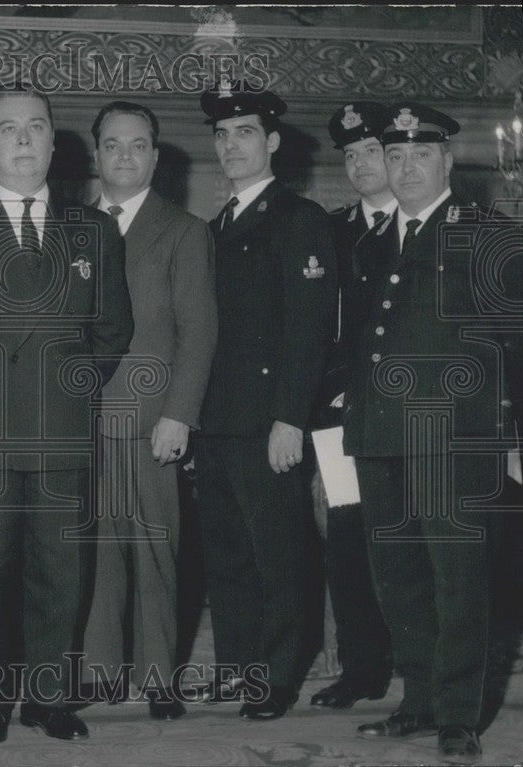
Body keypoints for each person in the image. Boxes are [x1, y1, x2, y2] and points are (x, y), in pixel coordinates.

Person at [0, 83, 134, 744]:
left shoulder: (92, 229)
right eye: (7, 128)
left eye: (34, 127)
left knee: (57, 575)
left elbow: (114, 331)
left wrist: (66, 389)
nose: (21, 139)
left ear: (52, 140)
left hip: (62, 435)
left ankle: (48, 696)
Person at [343, 102, 506, 765]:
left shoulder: (485, 232)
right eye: (395, 155)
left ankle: (458, 716)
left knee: (458, 580)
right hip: (380, 435)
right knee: (398, 576)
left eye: (420, 155)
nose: (406, 166)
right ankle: (417, 701)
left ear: (445, 161)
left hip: (452, 439)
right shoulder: (372, 239)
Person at [194, 80, 338, 721]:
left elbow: (308, 332)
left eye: (244, 132)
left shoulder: (298, 219)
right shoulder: (214, 225)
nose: (231, 145)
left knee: (279, 555)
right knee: (226, 556)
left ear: (273, 141)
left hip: (267, 422)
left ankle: (277, 677)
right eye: (222, 135)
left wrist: (290, 418)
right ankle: (239, 669)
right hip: (218, 421)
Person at [80, 101, 216, 720]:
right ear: (97, 154)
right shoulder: (72, 227)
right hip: (83, 420)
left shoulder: (184, 230)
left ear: (157, 157)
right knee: (95, 552)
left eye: (138, 145)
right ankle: (101, 672)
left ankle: (160, 677)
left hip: (152, 419)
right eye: (113, 145)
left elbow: (199, 332)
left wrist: (179, 415)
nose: (125, 156)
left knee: (156, 547)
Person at [308, 101, 395, 710]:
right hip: (339, 413)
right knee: (347, 538)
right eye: (352, 155)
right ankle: (361, 668)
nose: (362, 164)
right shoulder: (333, 232)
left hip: (407, 415)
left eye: (373, 151)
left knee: (409, 541)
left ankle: (421, 664)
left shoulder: (426, 227)